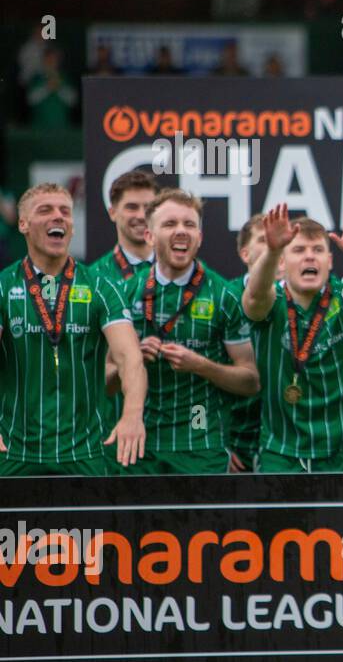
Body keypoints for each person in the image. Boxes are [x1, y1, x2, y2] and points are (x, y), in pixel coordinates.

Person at [0, 183, 146, 475]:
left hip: (86, 454)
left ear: (73, 227)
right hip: (14, 452)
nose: (59, 217)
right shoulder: (4, 285)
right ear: (23, 224)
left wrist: (132, 414)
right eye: (46, 210)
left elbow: (129, 357)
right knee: (21, 525)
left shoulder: (102, 286)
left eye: (65, 211)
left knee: (85, 524)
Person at [120, 189, 259, 474]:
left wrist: (201, 366)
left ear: (200, 238)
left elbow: (250, 381)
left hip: (202, 447)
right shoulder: (124, 293)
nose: (181, 231)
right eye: (170, 224)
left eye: (189, 225)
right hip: (137, 447)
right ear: (149, 236)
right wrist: (130, 358)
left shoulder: (224, 295)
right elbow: (105, 379)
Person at [241, 205, 343, 473]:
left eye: (317, 250)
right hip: (281, 453)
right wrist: (271, 250)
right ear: (282, 262)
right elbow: (255, 298)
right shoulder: (272, 300)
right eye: (298, 250)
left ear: (329, 261)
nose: (310, 257)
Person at [227, 213, 269, 473]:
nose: (278, 245)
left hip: (287, 444)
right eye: (265, 240)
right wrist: (214, 443)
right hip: (234, 443)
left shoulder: (311, 300)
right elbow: (197, 380)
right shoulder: (223, 297)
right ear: (245, 254)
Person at [89, 168, 159, 286]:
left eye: (148, 208)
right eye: (132, 207)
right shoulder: (94, 276)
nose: (142, 216)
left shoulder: (177, 270)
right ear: (112, 213)